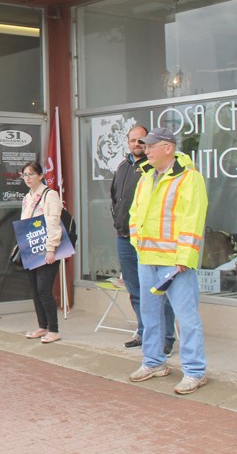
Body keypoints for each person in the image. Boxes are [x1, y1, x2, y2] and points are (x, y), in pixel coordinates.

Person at [128, 127, 208, 395]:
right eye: (144, 146)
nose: (145, 149)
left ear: (168, 148)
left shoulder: (189, 178)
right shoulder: (146, 177)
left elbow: (193, 219)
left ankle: (195, 371)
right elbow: (135, 214)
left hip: (175, 263)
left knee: (186, 318)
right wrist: (137, 244)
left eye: (150, 145)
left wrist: (184, 257)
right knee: (150, 315)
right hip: (147, 258)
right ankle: (153, 362)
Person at [111, 126, 176, 353]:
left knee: (159, 291)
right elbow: (115, 199)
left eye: (141, 141)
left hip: (149, 241)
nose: (137, 145)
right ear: (127, 142)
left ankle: (166, 337)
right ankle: (144, 332)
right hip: (125, 239)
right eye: (132, 140)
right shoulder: (122, 167)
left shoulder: (153, 168)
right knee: (135, 290)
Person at [20, 161, 63, 344]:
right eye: (24, 175)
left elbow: (53, 222)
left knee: (44, 290)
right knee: (35, 291)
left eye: (31, 174)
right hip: (31, 248)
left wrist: (51, 249)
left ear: (40, 175)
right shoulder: (27, 197)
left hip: (46, 248)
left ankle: (54, 329)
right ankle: (42, 325)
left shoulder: (49, 195)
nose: (28, 178)